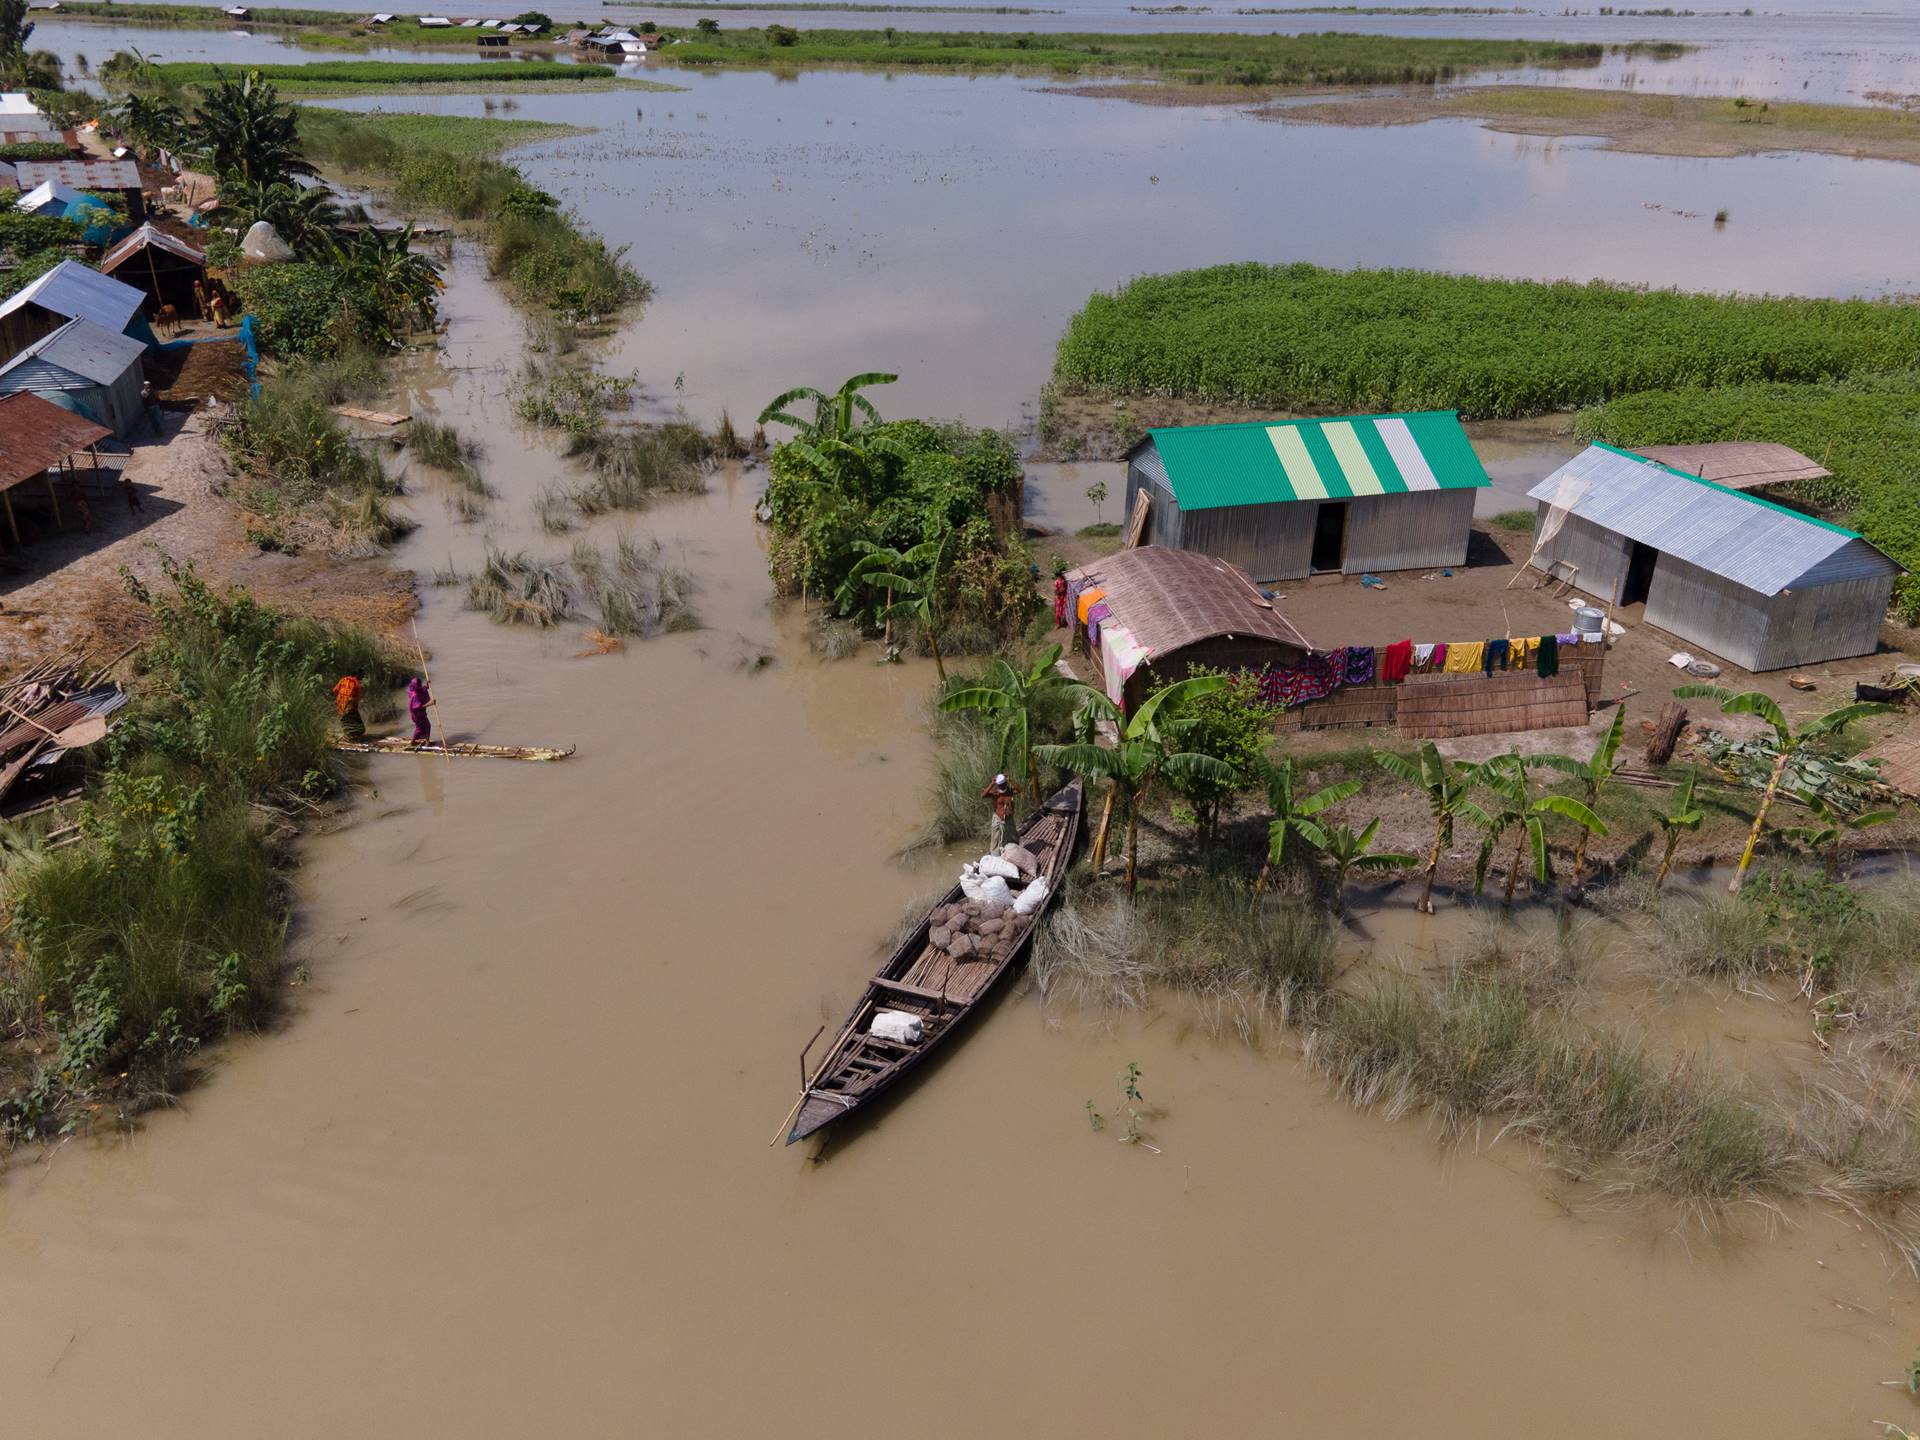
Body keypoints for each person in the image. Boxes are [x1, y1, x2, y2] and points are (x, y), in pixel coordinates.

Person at [982, 772, 1018, 851]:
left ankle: (1011, 852)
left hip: (1008, 819)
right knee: (996, 841)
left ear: (1005, 783)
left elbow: (1019, 790)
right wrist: (992, 783)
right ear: (998, 784)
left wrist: (1011, 781)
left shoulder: (1009, 790)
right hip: (998, 819)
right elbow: (983, 795)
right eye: (1000, 785)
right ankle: (996, 856)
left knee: (1012, 837)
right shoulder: (995, 792)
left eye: (1003, 784)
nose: (1001, 786)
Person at [332, 670, 366, 741]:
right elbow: (356, 698)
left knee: (345, 722)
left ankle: (348, 736)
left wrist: (340, 699)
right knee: (360, 728)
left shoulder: (343, 679)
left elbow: (335, 690)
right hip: (350, 706)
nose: (363, 678)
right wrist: (353, 707)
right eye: (362, 676)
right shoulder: (356, 683)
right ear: (358, 675)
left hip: (340, 705)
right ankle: (351, 738)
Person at [407, 674, 435, 746]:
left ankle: (419, 741)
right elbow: (419, 707)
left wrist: (427, 684)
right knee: (423, 727)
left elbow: (423, 690)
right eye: (419, 684)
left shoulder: (415, 689)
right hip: (417, 715)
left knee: (424, 726)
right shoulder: (414, 695)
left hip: (420, 714)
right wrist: (430, 703)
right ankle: (424, 741)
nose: (420, 685)